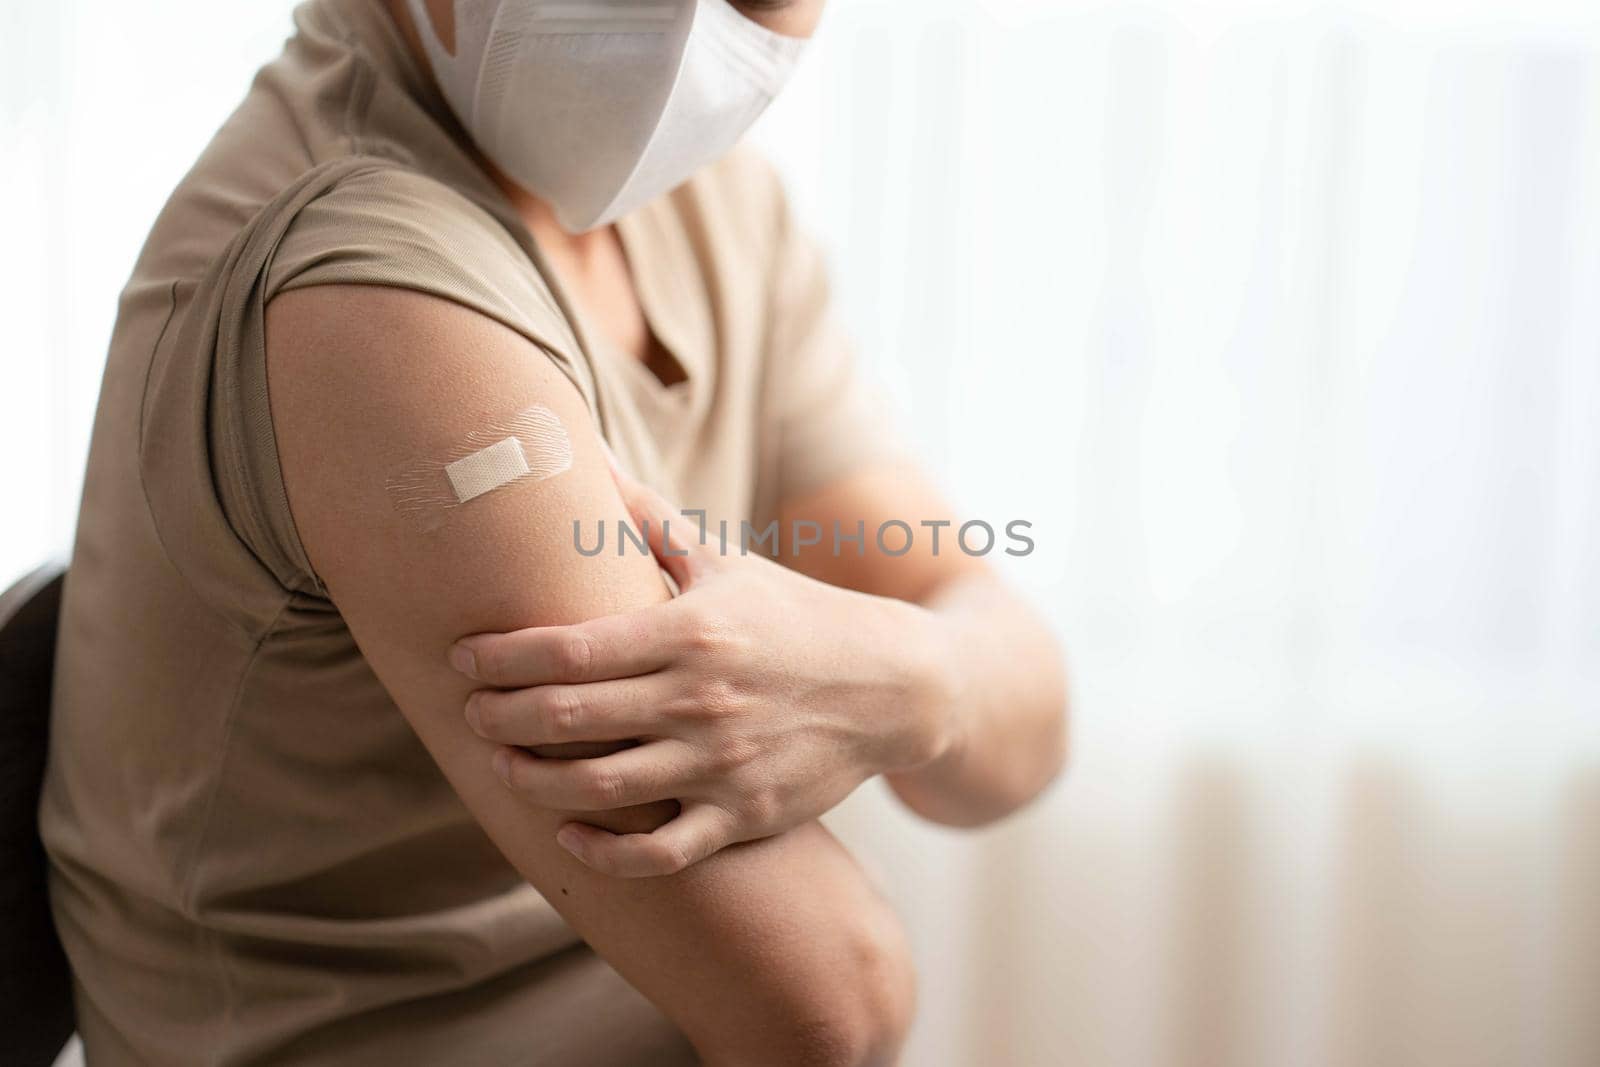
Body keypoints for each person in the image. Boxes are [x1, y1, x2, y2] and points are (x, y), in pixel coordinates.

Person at [40, 0, 1069, 1063]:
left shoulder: (716, 209)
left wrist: (908, 678)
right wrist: (927, 679)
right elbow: (833, 998)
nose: (685, 25)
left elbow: (1024, 716)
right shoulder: (371, 285)